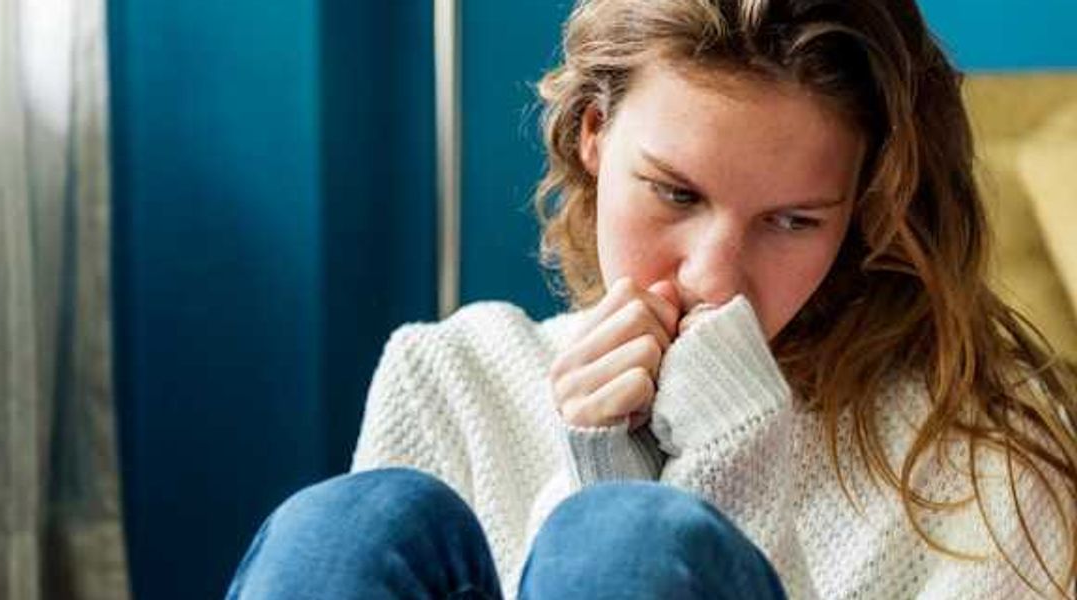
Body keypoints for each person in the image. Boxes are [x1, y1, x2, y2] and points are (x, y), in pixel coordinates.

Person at [226, 0, 1077, 598]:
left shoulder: (977, 460)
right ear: (593, 134)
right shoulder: (452, 373)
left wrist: (718, 491)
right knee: (354, 522)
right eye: (676, 195)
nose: (713, 278)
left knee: (627, 541)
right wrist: (590, 473)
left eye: (791, 220)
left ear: (863, 212)